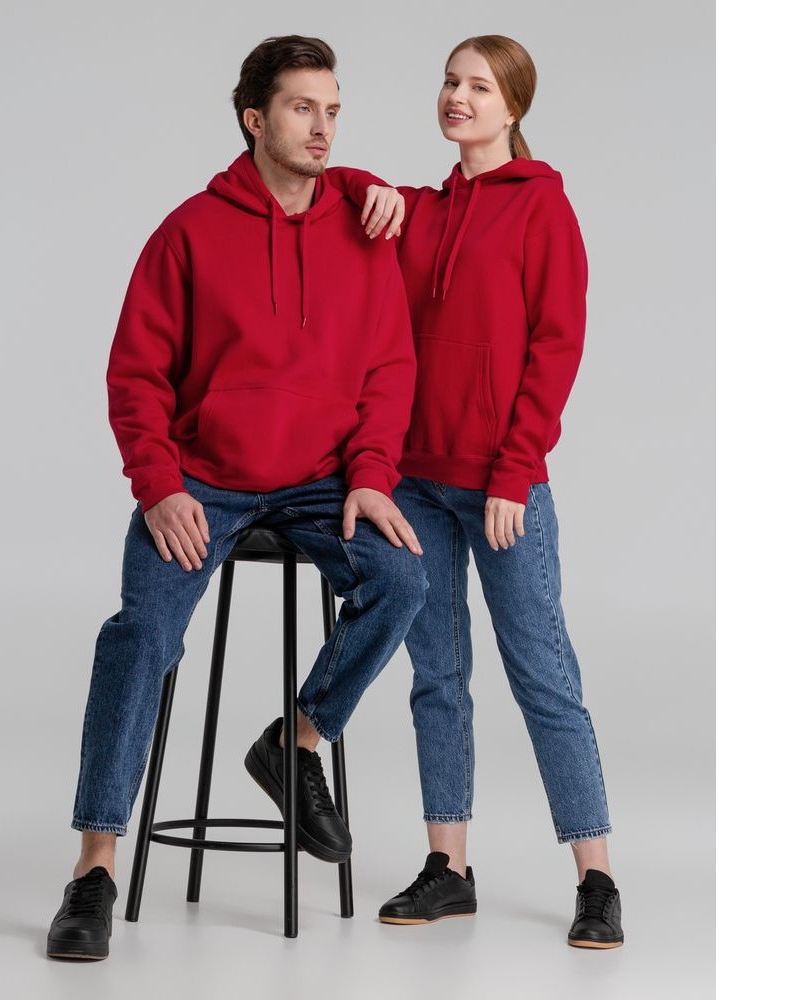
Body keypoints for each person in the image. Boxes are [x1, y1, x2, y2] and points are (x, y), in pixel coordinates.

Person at [46, 35, 428, 961]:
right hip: (204, 481)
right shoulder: (189, 232)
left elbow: (389, 369)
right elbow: (136, 375)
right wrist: (159, 487)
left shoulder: (363, 225)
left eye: (333, 111)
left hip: (320, 481)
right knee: (140, 634)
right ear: (255, 119)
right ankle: (95, 868)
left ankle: (294, 742)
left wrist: (371, 475)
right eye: (303, 108)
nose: (323, 128)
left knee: (403, 579)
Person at [329, 34, 624, 948]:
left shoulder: (543, 208)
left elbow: (555, 349)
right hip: (415, 482)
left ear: (513, 107)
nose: (457, 96)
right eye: (450, 82)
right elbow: (335, 188)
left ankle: (597, 877)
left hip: (501, 487)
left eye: (479, 87)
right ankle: (447, 868)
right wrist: (366, 184)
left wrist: (515, 470)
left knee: (544, 676)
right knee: (438, 678)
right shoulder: (421, 211)